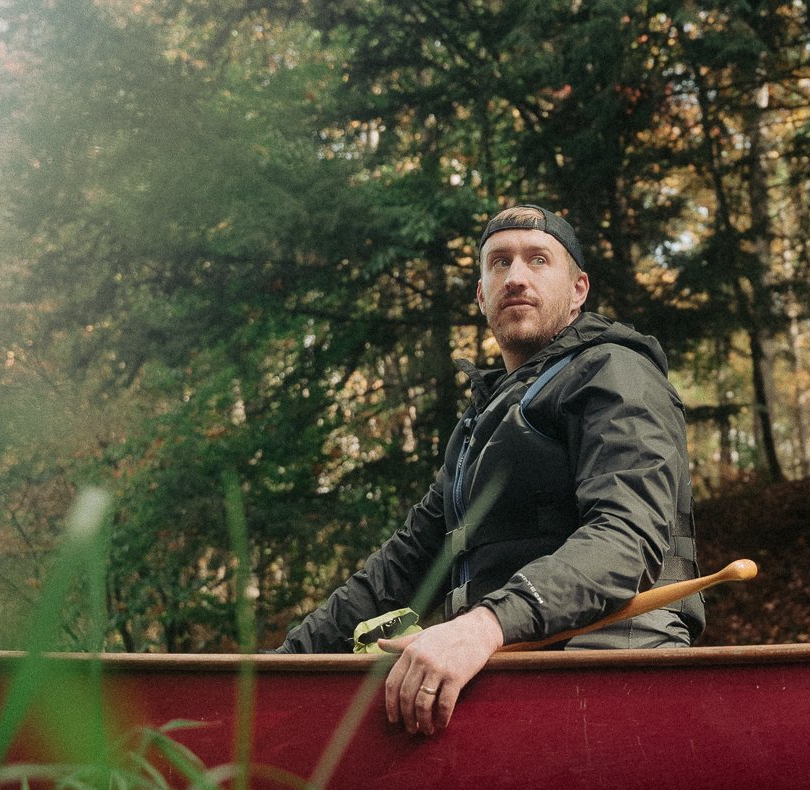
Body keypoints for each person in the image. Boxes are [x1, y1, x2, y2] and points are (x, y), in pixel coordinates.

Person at [274, 203, 703, 735]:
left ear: (578, 291)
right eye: (498, 263)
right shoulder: (481, 425)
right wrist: (277, 666)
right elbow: (402, 569)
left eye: (538, 260)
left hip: (612, 669)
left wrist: (483, 626)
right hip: (513, 668)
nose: (516, 277)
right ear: (481, 295)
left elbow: (625, 540)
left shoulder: (618, 372)